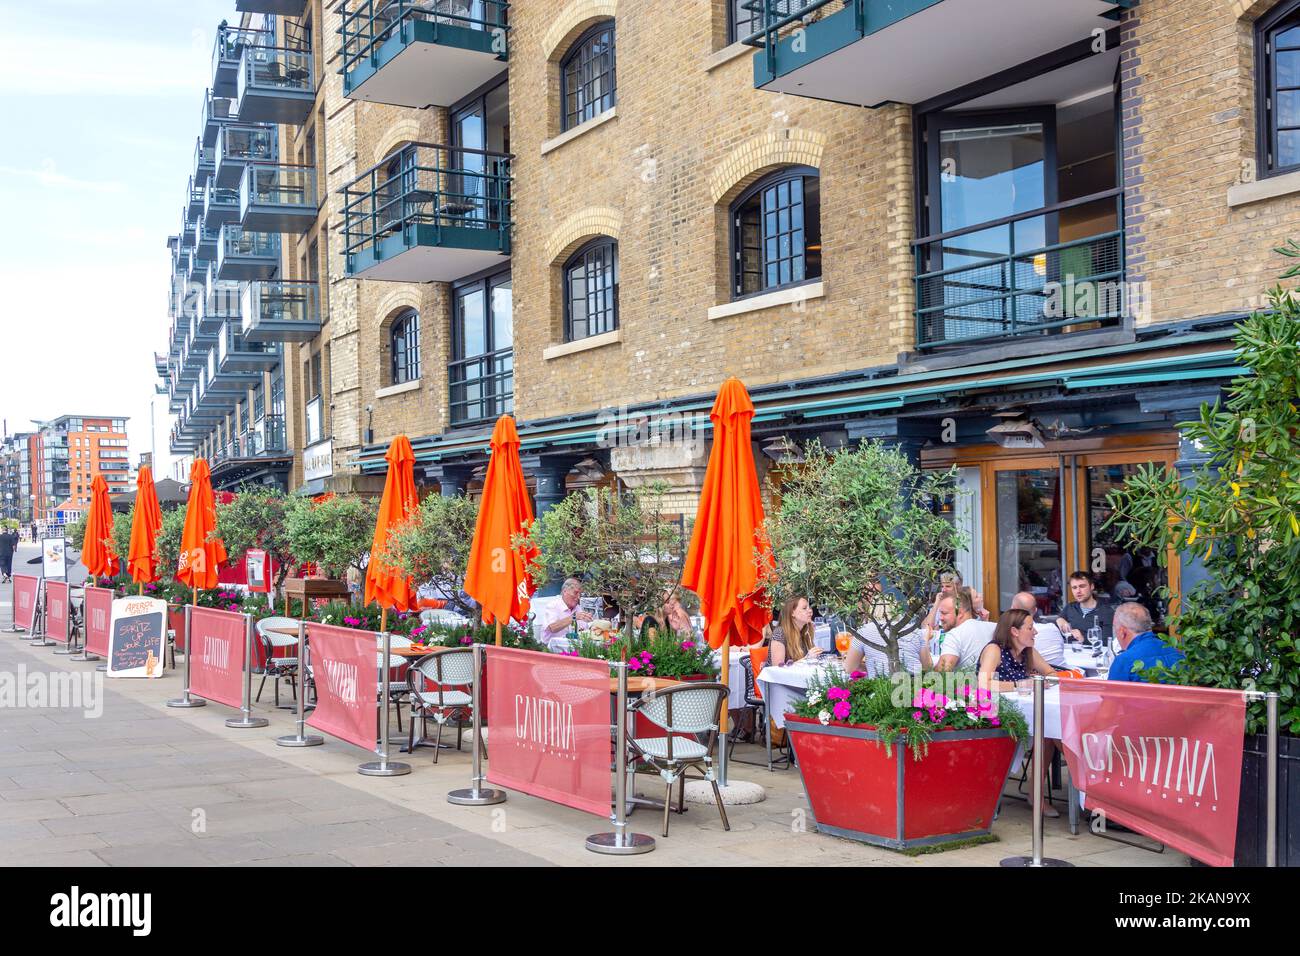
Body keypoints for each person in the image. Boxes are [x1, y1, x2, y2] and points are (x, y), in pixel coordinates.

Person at [978, 609, 1057, 690]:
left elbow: (1051, 673)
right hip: (995, 701)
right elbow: (983, 684)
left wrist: (1042, 681)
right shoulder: (994, 650)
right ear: (1015, 631)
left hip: (1023, 700)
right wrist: (1022, 685)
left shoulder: (1027, 649)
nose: (1035, 632)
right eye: (1030, 628)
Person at [923, 587, 995, 673]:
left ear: (960, 613)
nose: (940, 618)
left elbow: (940, 675)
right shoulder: (994, 627)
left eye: (944, 613)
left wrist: (924, 642)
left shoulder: (955, 635)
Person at [1109, 603, 1184, 682]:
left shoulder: (1124, 661)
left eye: (1115, 627)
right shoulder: (1177, 653)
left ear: (1122, 632)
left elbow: (1109, 693)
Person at [1055, 571, 1114, 644]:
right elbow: (1059, 620)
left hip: (1094, 654)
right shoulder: (1070, 607)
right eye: (1074, 588)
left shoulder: (1106, 612)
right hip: (1070, 652)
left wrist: (1083, 638)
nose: (1078, 591)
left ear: (1092, 586)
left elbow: (1107, 642)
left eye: (1082, 586)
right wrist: (1060, 619)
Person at [1010, 591, 1065, 667]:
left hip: (1038, 675)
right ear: (1035, 610)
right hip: (1062, 674)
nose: (1035, 632)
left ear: (1012, 609)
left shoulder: (1012, 635)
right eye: (1030, 629)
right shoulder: (1052, 628)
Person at [538, 577, 593, 650]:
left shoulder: (578, 608)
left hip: (573, 647)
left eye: (580, 594)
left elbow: (583, 630)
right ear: (565, 591)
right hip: (552, 649)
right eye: (575, 593)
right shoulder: (553, 606)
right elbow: (552, 628)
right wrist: (573, 617)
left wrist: (592, 626)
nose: (578, 597)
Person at [768, 594, 824, 666]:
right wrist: (807, 659)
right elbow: (778, 669)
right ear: (792, 613)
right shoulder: (780, 633)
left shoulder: (806, 630)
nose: (810, 610)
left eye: (809, 607)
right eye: (804, 608)